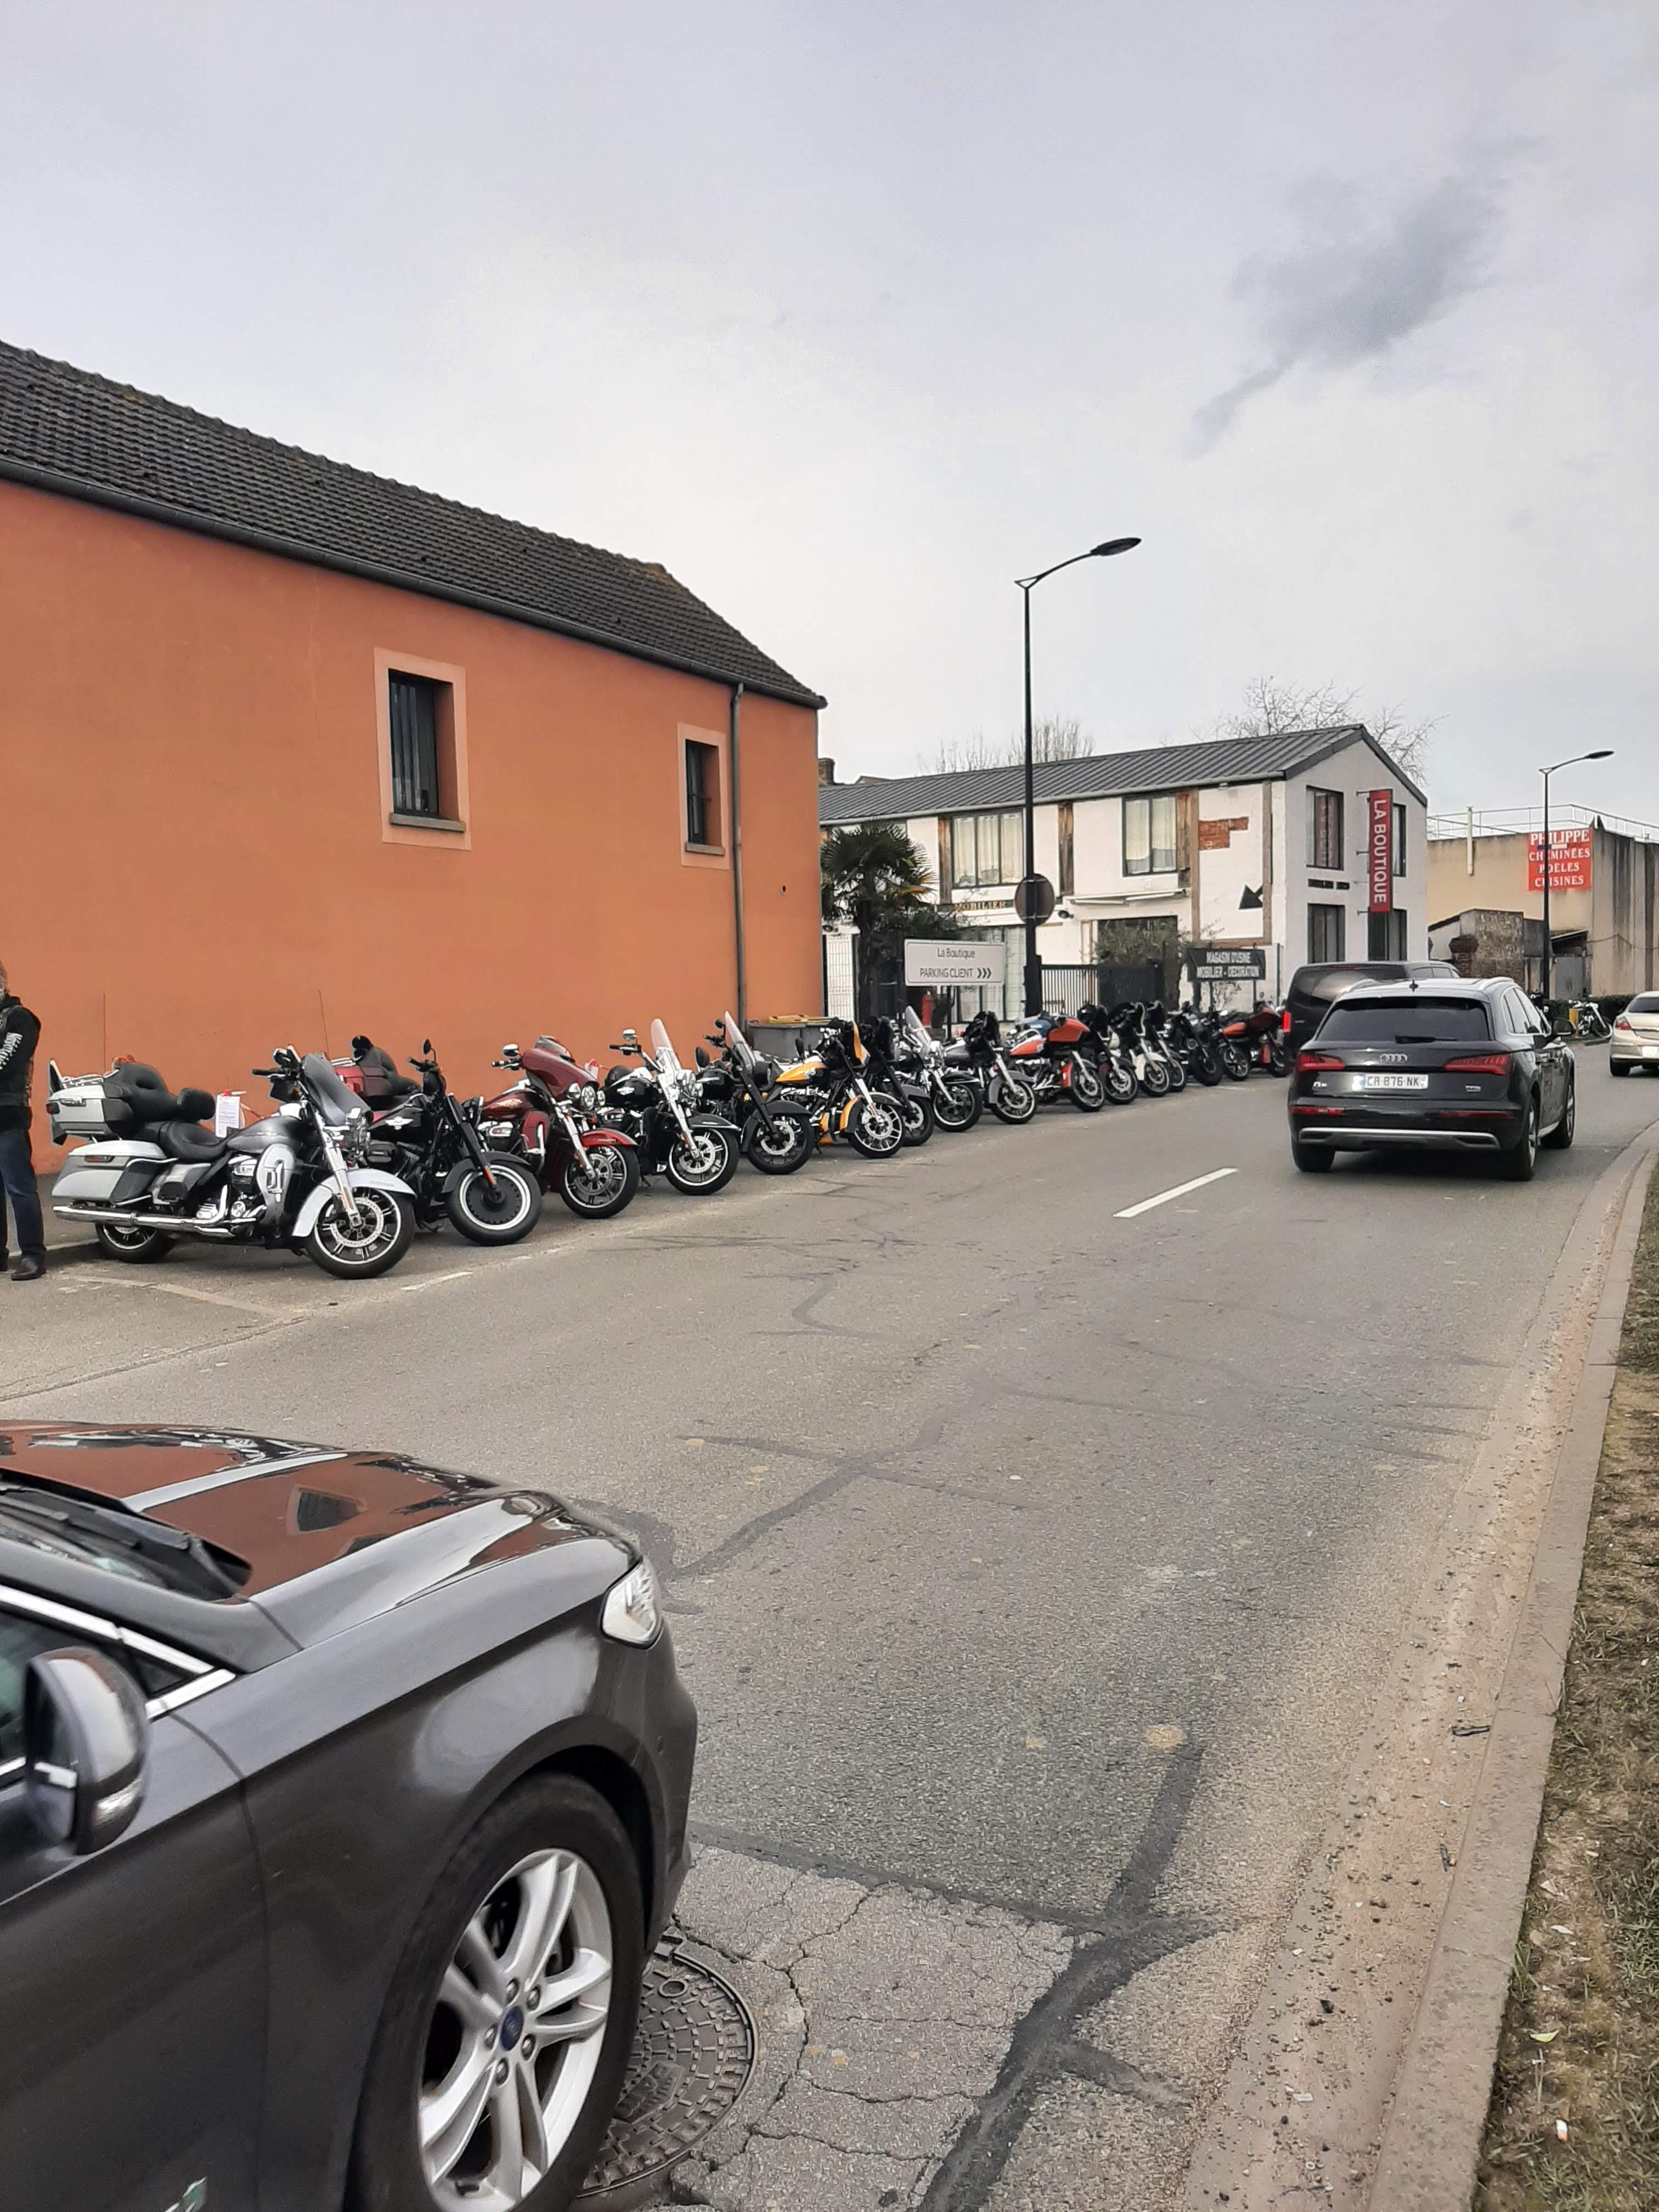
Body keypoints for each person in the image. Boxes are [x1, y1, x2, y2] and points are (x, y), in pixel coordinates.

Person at [0, 961, 46, 1282]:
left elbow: (8, 1063)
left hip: (9, 1115)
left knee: (20, 1187)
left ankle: (32, 1255)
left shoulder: (20, 1019)